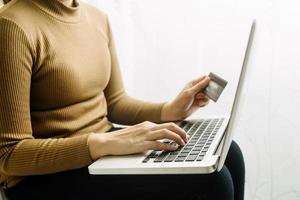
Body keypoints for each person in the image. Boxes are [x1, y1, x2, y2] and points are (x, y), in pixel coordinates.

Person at [0, 0, 245, 199]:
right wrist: (103, 143)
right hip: (44, 176)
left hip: (102, 149)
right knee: (212, 182)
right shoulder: (11, 26)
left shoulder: (97, 18)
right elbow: (8, 155)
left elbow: (115, 102)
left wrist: (168, 110)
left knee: (229, 152)